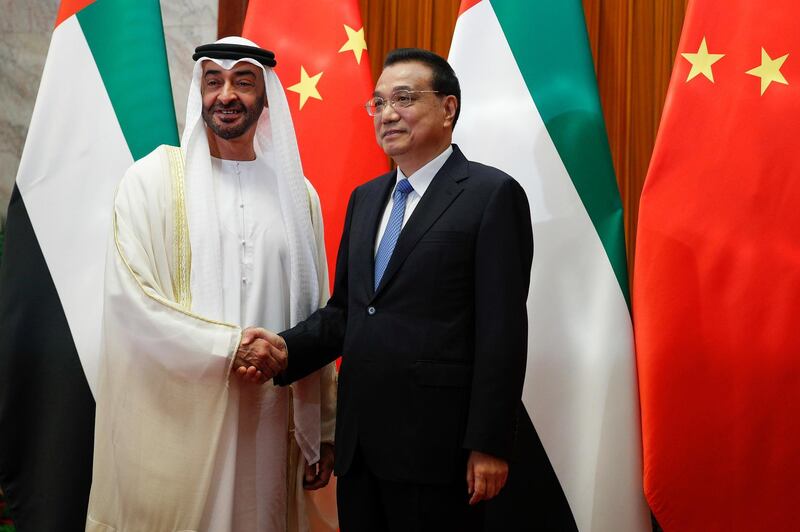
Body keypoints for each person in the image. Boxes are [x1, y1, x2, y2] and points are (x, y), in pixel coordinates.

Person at [251, 48, 533, 531]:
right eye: (378, 103)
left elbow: (502, 331)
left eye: (403, 98)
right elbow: (348, 313)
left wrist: (488, 443)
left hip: (439, 450)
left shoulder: (491, 195)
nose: (387, 114)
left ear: (448, 108)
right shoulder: (367, 198)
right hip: (362, 449)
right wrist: (282, 348)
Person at [85, 37, 337, 532]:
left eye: (244, 81)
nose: (227, 94)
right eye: (214, 80)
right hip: (182, 417)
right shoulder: (153, 181)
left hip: (272, 414)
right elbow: (133, 299)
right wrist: (227, 347)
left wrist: (323, 428)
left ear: (266, 98)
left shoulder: (296, 194)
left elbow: (318, 309)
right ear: (198, 90)